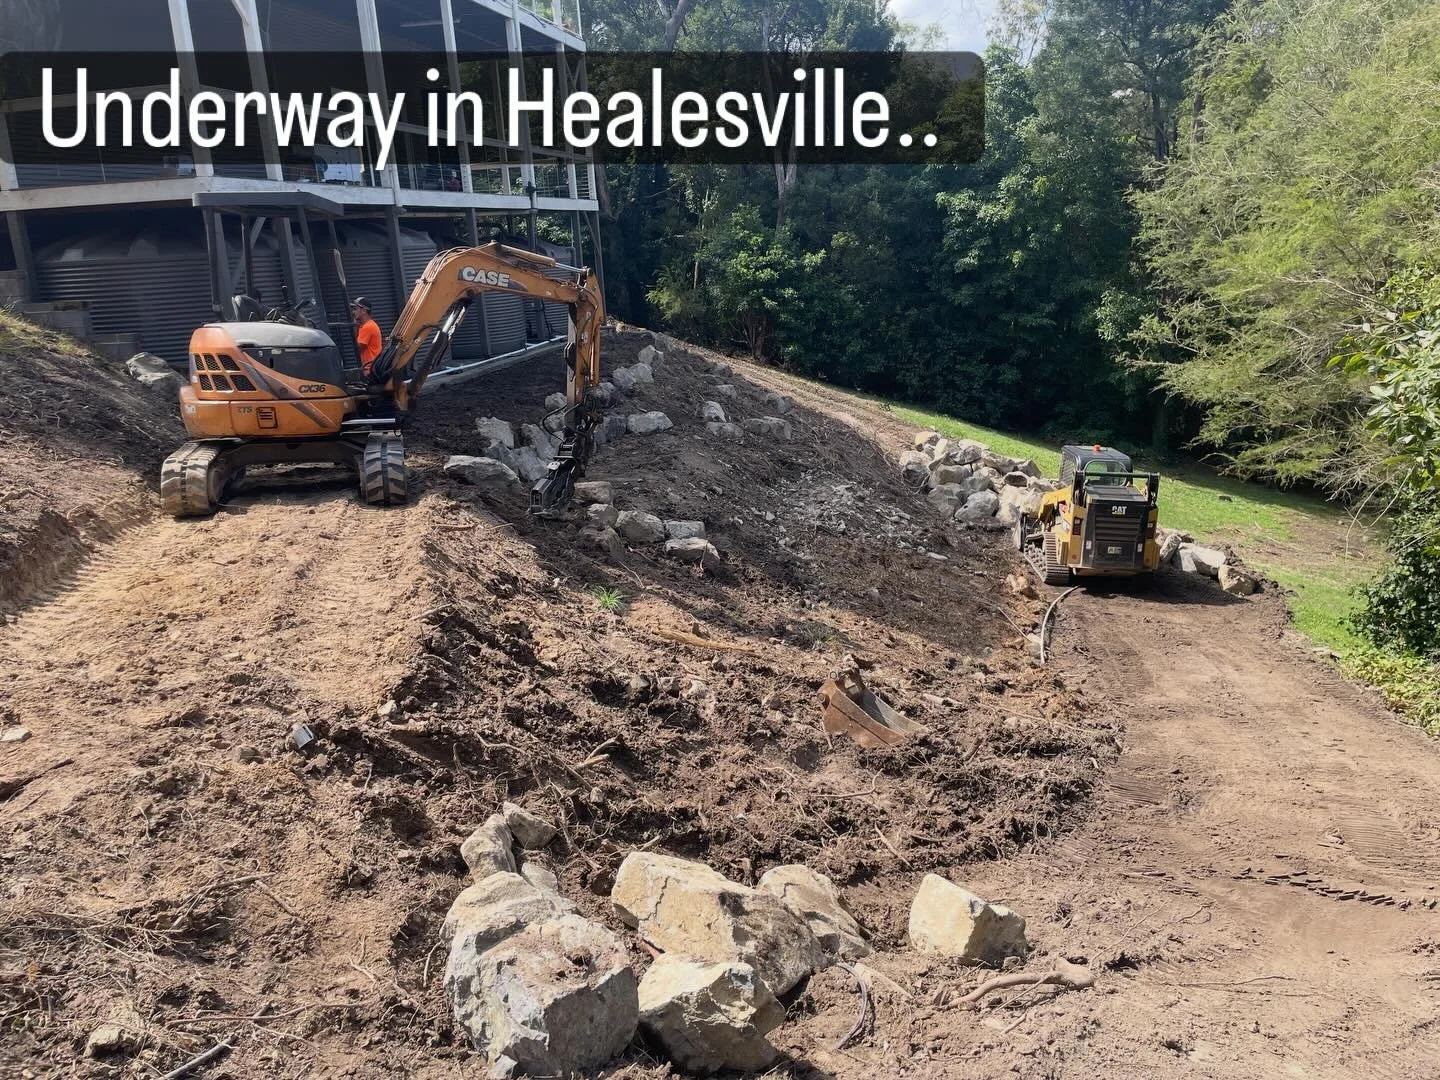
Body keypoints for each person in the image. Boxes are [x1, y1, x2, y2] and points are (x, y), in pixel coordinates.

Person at [351, 297, 382, 377]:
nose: (353, 312)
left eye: (355, 309)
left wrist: (354, 326)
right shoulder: (366, 326)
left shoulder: (367, 327)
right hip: (371, 368)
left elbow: (357, 349)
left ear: (364, 311)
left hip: (370, 370)